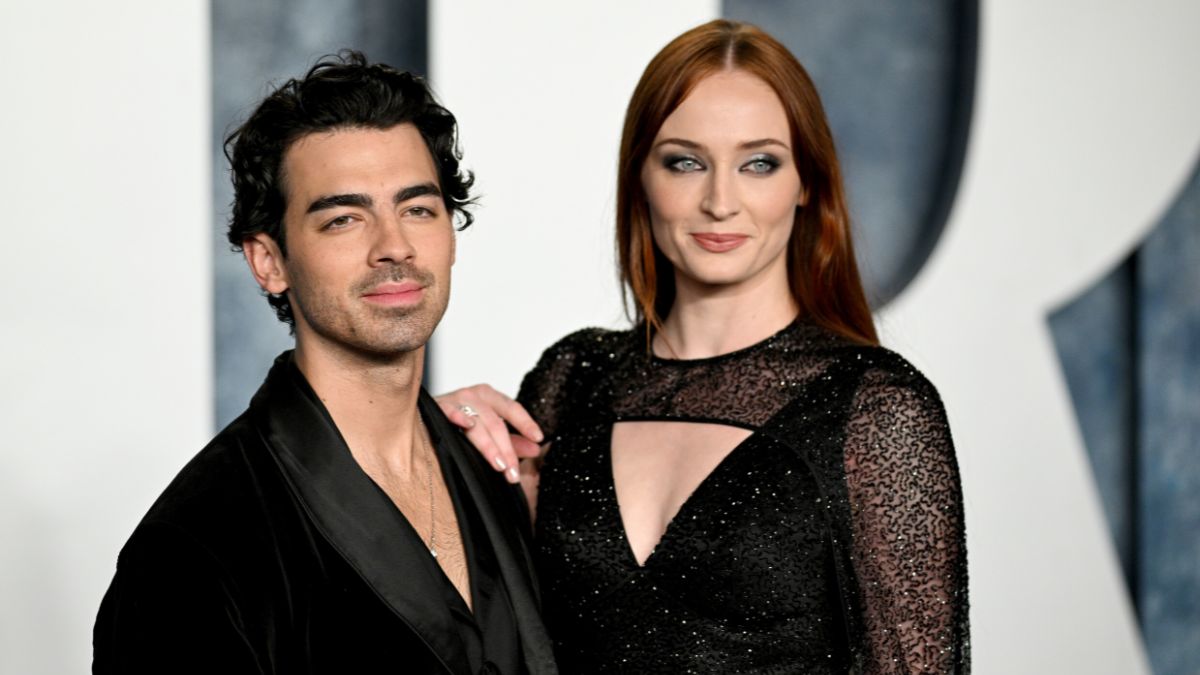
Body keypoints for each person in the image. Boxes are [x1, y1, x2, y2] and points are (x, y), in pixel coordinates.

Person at [438, 20, 969, 674]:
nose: (720, 200)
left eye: (759, 163)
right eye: (685, 161)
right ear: (641, 177)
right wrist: (428, 450)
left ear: (806, 182)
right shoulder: (573, 377)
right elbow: (478, 630)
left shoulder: (875, 408)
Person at [93, 52, 557, 675]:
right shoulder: (197, 545)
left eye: (418, 208)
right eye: (343, 219)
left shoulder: (492, 474)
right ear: (270, 262)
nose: (393, 246)